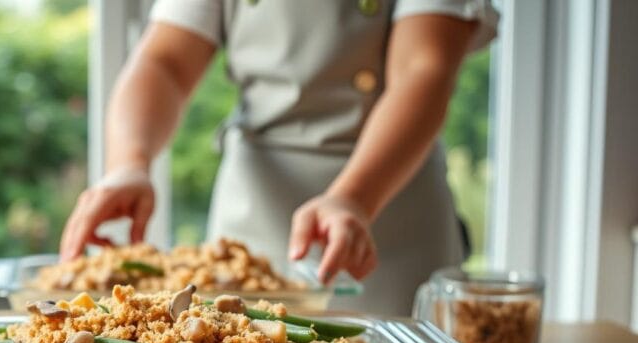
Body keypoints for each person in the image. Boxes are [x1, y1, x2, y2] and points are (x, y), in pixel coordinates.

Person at [59, 0, 498, 315]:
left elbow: (424, 70)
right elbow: (164, 62)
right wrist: (129, 165)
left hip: (390, 216)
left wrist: (353, 199)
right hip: (251, 220)